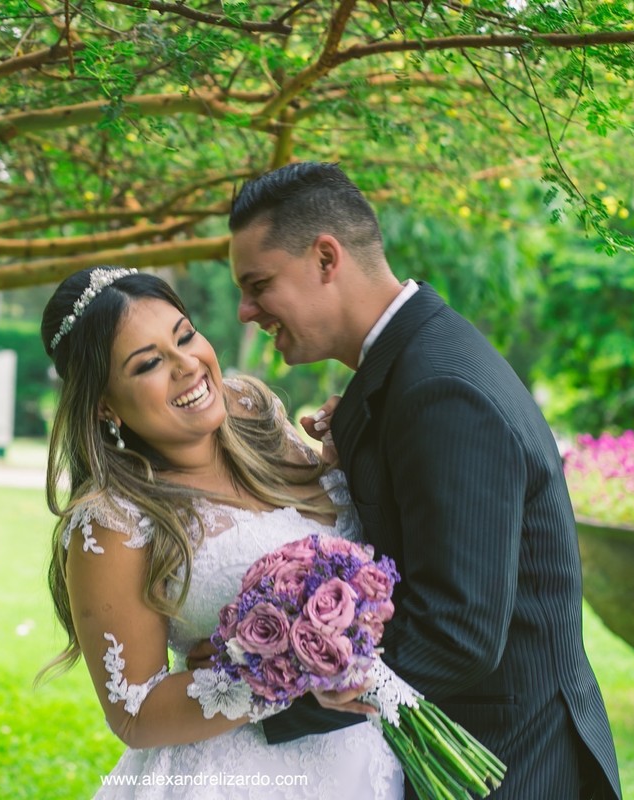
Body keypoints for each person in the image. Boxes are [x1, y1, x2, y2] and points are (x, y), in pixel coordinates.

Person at [227, 161, 623, 800]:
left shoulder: (439, 389)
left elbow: (457, 633)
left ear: (326, 257)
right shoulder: (411, 363)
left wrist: (265, 702)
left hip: (505, 761)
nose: (247, 311)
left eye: (259, 284)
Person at [38, 266, 404, 799]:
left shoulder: (259, 421)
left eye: (184, 336)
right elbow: (135, 714)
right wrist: (273, 671)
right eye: (148, 364)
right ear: (103, 404)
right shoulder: (111, 521)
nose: (187, 365)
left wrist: (354, 454)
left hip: (368, 758)